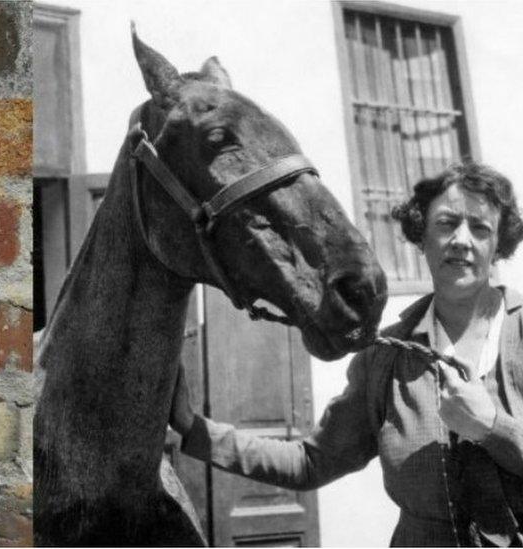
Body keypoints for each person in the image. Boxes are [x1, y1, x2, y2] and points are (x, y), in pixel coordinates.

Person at [170, 161, 523, 546]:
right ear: (421, 235)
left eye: (480, 228)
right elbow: (311, 462)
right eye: (446, 223)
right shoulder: (387, 356)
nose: (461, 239)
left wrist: (491, 427)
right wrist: (194, 429)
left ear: (499, 246)